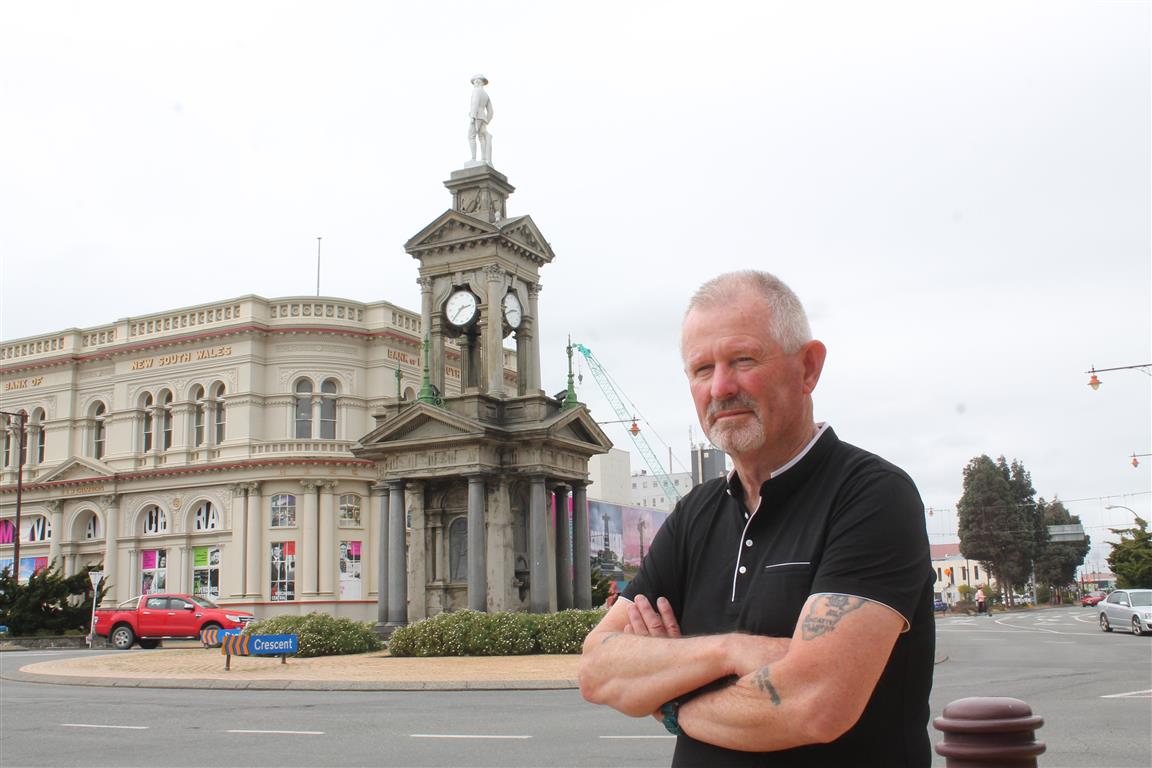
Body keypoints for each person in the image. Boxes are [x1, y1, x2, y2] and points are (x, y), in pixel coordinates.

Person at [579, 270, 935, 767]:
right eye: (702, 369)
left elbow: (813, 705)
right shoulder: (694, 514)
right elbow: (598, 668)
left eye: (743, 360)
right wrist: (730, 652)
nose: (721, 387)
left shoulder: (872, 496)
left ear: (808, 368)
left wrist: (670, 698)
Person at [468, 74, 493, 165]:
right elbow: (491, 111)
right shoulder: (486, 95)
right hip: (483, 118)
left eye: (475, 81)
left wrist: (473, 117)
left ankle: (473, 159)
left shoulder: (476, 91)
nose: (474, 83)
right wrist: (486, 120)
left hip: (477, 116)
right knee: (481, 137)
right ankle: (483, 159)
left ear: (478, 81)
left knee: (471, 136)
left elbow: (475, 103)